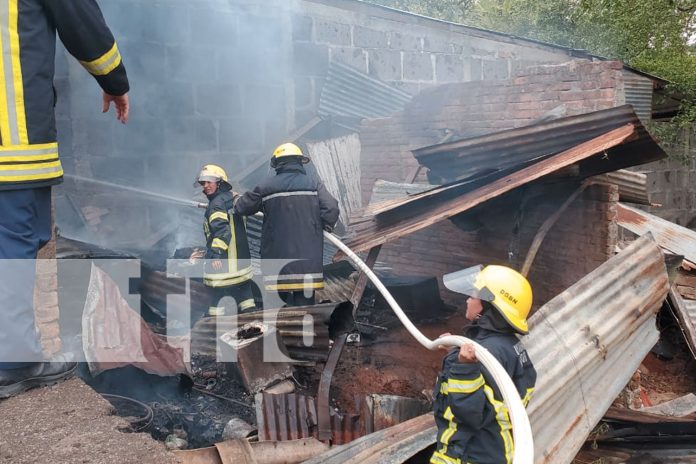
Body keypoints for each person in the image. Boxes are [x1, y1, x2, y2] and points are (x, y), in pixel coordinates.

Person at [0, 0, 129, 398]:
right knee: (13, 241)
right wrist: (115, 81)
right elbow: (80, 19)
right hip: (13, 141)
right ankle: (16, 360)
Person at [431, 265, 536, 464]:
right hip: (495, 449)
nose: (467, 300)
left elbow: (470, 414)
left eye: (473, 295)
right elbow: (494, 398)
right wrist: (455, 349)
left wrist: (463, 369)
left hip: (467, 455)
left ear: (488, 306)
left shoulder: (483, 355)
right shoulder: (510, 347)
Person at [234, 143, 339, 307]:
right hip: (307, 261)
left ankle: (279, 331)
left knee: (276, 308)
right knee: (304, 310)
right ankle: (304, 331)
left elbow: (241, 208)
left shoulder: (266, 187)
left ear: (277, 164)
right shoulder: (314, 185)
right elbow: (331, 207)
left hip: (276, 262)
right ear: (299, 162)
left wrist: (235, 199)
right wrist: (325, 225)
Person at [197, 165, 256, 316]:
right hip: (241, 265)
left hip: (223, 267)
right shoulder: (233, 199)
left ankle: (213, 334)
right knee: (246, 301)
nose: (206, 186)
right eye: (203, 183)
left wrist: (216, 254)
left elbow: (222, 232)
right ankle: (255, 329)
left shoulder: (216, 204)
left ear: (220, 183)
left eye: (210, 182)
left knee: (216, 304)